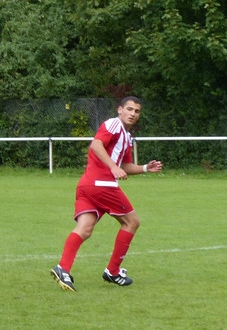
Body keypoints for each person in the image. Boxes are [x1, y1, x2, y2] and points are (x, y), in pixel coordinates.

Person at [51, 96, 163, 292]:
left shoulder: (126, 137)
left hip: (87, 185)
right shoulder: (113, 124)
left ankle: (63, 268)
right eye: (129, 109)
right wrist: (112, 167)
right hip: (102, 185)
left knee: (84, 228)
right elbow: (96, 144)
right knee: (132, 222)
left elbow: (125, 166)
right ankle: (112, 271)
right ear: (120, 110)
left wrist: (145, 168)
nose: (133, 114)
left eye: (137, 111)